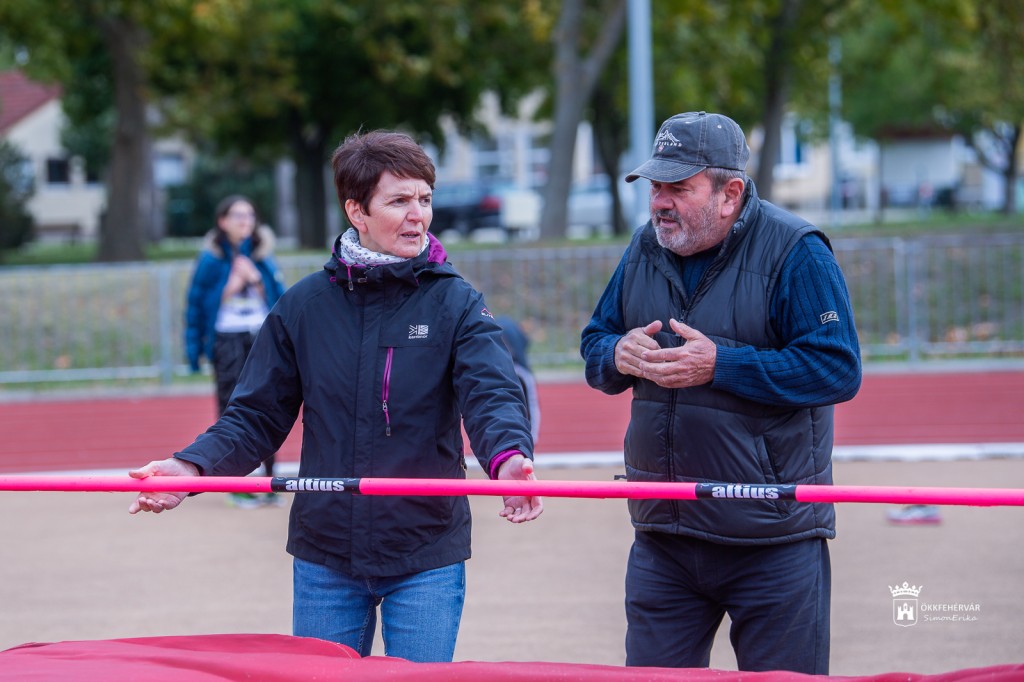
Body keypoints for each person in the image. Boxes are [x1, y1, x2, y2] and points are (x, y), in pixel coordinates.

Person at [129, 130, 543, 663]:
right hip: (325, 553)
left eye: (424, 199)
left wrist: (508, 457)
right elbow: (254, 416)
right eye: (399, 201)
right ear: (356, 211)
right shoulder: (303, 307)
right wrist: (191, 468)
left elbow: (492, 393)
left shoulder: (456, 302)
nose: (418, 215)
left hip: (426, 550)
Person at [580, 111, 862, 674]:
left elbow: (836, 369)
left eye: (678, 188)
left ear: (730, 193)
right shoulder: (644, 247)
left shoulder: (797, 250)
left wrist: (721, 365)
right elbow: (595, 342)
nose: (660, 203)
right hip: (664, 534)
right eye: (655, 186)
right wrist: (615, 355)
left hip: (772, 538)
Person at [184, 195, 287, 509]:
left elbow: (280, 299)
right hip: (226, 339)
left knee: (269, 405)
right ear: (222, 221)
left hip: (260, 337)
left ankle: (269, 482)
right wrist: (231, 283)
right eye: (238, 215)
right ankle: (236, 485)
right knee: (232, 409)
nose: (245, 221)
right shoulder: (210, 260)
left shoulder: (263, 256)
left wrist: (254, 279)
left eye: (250, 215)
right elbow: (197, 305)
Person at [496, 316, 541, 443]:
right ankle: (530, 438)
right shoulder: (512, 328)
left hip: (501, 367)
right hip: (518, 368)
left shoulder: (499, 325)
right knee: (529, 402)